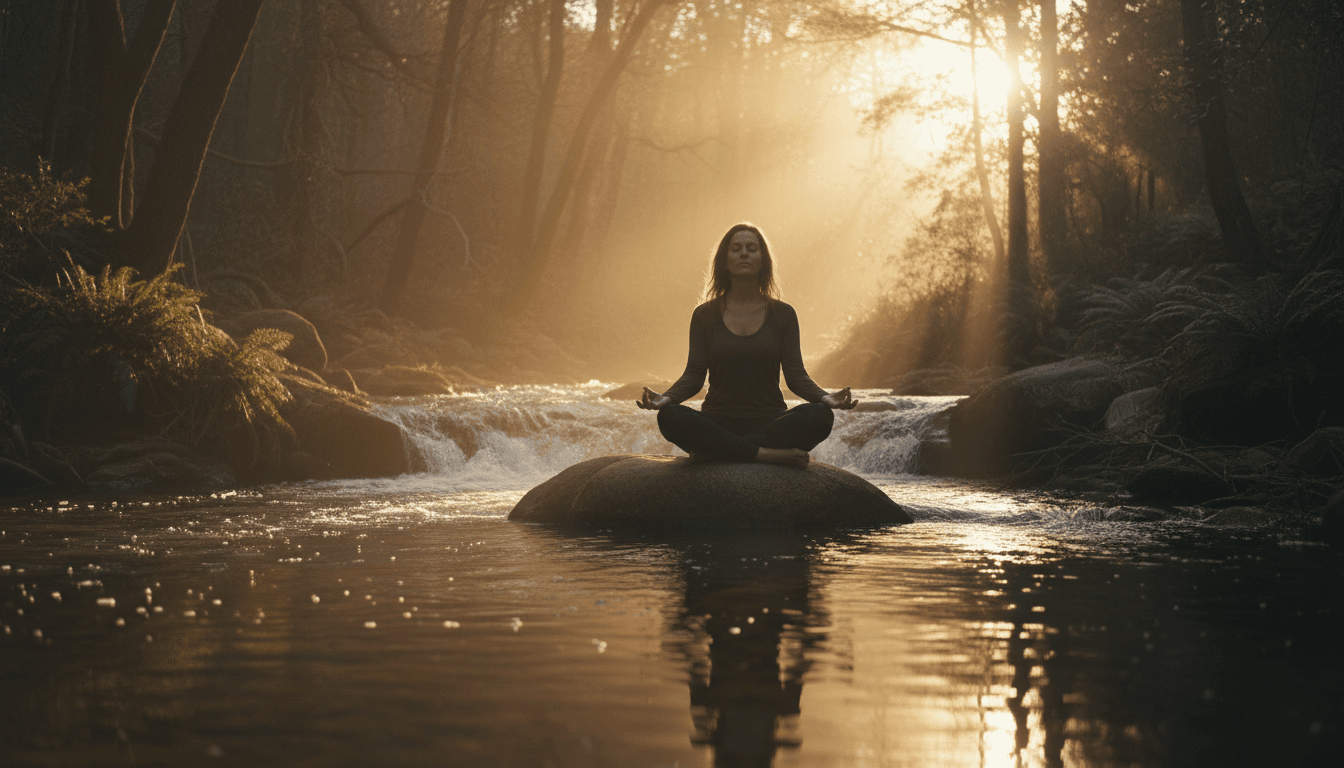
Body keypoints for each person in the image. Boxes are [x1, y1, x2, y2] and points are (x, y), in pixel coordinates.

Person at [636, 223, 858, 468]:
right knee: (669, 416)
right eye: (736, 248)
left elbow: (795, 376)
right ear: (725, 260)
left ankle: (718, 450)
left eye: (752, 248)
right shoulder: (704, 315)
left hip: (770, 421)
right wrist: (666, 399)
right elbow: (694, 375)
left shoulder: (783, 314)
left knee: (820, 416)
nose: (744, 253)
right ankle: (764, 454)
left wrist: (825, 398)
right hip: (717, 420)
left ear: (762, 260)